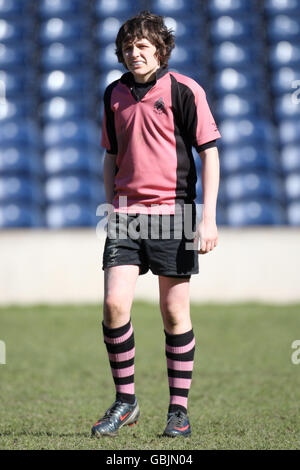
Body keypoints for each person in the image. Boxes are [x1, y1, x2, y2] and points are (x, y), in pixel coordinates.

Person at [91, 10, 221, 438]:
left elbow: (210, 152)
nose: (134, 53)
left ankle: (178, 413)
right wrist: (110, 206)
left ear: (161, 50)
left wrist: (208, 217)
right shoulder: (114, 94)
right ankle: (126, 402)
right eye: (128, 47)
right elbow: (111, 156)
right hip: (126, 214)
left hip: (174, 213)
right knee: (113, 306)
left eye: (143, 46)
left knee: (173, 311)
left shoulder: (185, 90)